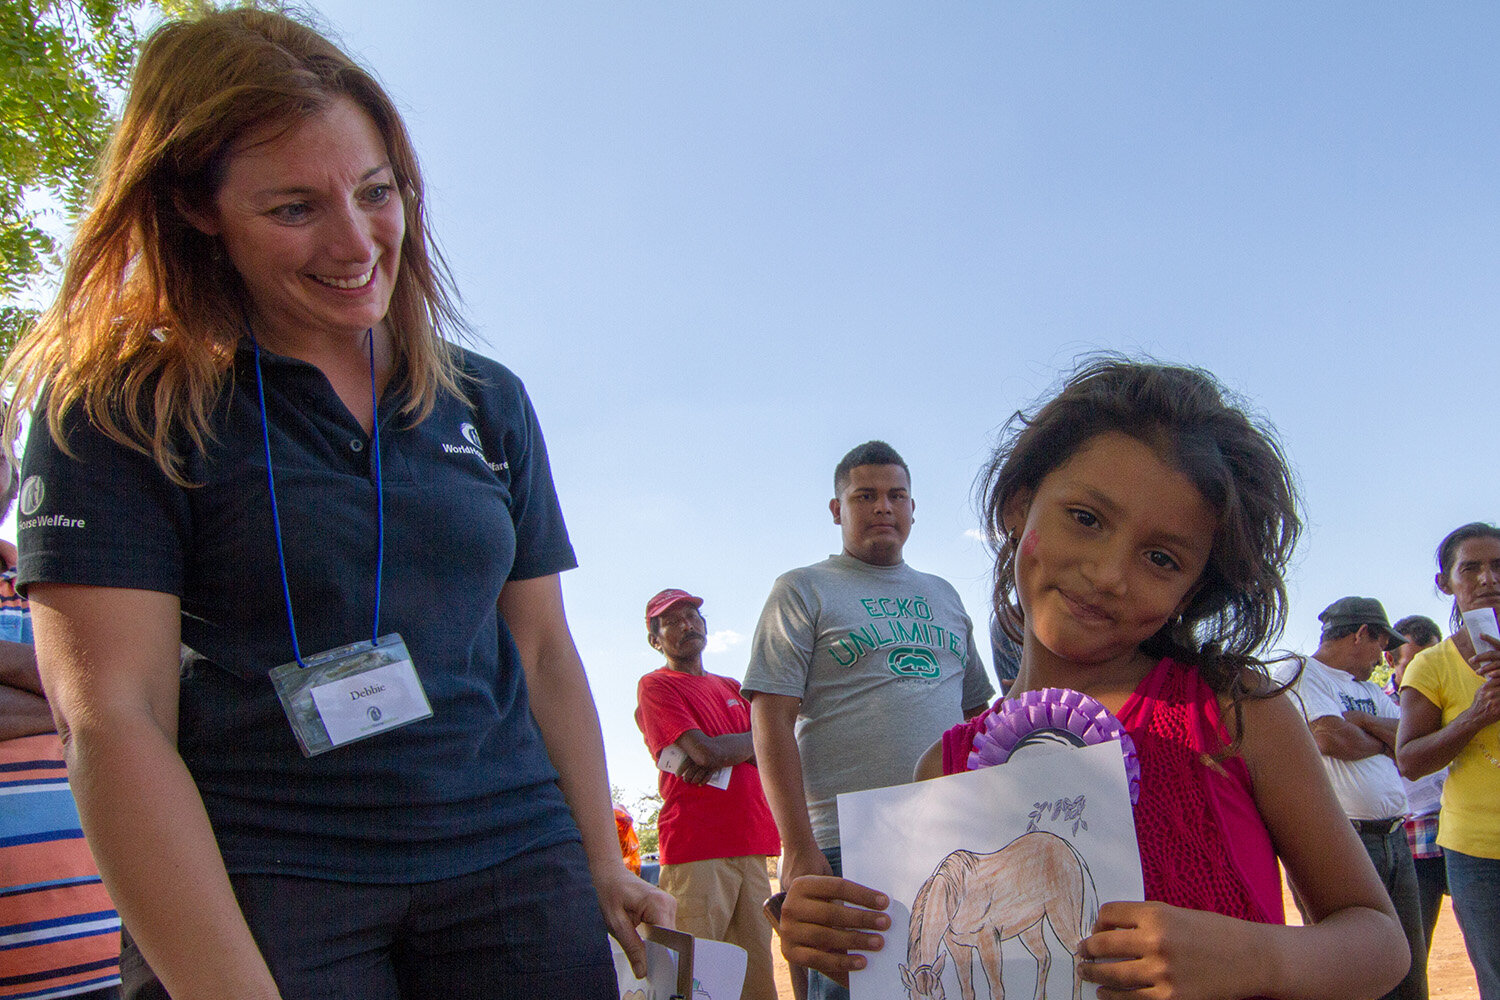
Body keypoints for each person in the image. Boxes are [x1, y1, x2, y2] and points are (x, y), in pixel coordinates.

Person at [2, 9, 670, 999]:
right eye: (293, 209)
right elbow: (113, 715)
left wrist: (602, 861)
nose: (357, 243)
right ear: (197, 205)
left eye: (377, 192)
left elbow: (540, 650)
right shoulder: (115, 408)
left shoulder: (487, 401)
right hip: (267, 871)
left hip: (511, 855)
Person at [770, 360, 1409, 1000]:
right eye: (1086, 517)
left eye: (1162, 558)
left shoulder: (1236, 713)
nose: (1108, 573)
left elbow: (1380, 940)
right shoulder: (943, 767)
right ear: (1019, 507)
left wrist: (1260, 958)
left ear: (1195, 589)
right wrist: (837, 936)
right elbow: (926, 966)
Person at [742, 439, 996, 1000]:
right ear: (837, 509)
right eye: (865, 495)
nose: (883, 507)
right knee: (857, 988)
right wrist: (798, 846)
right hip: (844, 845)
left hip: (952, 841)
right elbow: (771, 718)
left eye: (896, 495)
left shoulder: (946, 596)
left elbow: (979, 714)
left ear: (912, 508)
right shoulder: (802, 589)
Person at [0, 424, 123, 999]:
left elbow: (143, 698)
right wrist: (92, 701)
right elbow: (114, 703)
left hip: (108, 960)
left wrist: (105, 703)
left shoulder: (60, 586)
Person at [1273, 597, 1426, 1000]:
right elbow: (1329, 737)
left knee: (1407, 963)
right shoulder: (1301, 673)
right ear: (1362, 634)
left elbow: (1405, 740)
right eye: (1380, 644)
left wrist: (1362, 723)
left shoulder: (1365, 690)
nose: (1383, 656)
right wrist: (1379, 738)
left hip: (1395, 838)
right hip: (1341, 841)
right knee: (1351, 971)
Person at [634, 588, 781, 1000]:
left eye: (693, 616)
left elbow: (773, 747)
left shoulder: (733, 686)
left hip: (752, 846)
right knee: (692, 979)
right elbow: (705, 752)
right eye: (672, 620)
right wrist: (748, 743)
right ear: (655, 639)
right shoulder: (656, 686)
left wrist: (737, 747)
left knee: (756, 979)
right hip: (697, 850)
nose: (687, 624)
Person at [1397, 522, 1500, 1000]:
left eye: (1498, 566)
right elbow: (1410, 760)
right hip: (1477, 853)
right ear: (1446, 582)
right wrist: (1474, 717)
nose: (1487, 579)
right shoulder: (1431, 665)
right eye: (1471, 568)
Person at [1384, 614, 1447, 961]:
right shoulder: (1380, 702)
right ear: (1391, 659)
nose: (1426, 670)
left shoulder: (1449, 697)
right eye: (1415, 662)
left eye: (1431, 659)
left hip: (1458, 830)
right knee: (1414, 949)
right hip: (1413, 841)